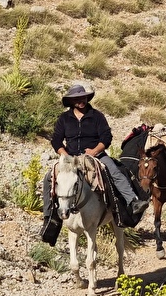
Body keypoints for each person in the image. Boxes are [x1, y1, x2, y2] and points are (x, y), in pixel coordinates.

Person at [40, 83, 148, 245]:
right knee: (49, 177)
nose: (81, 101)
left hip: (94, 155)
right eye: (77, 99)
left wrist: (94, 151)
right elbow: (56, 140)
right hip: (71, 157)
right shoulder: (64, 119)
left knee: (113, 170)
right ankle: (50, 218)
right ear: (71, 101)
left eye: (83, 97)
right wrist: (65, 155)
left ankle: (132, 202)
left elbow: (106, 138)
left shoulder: (97, 116)